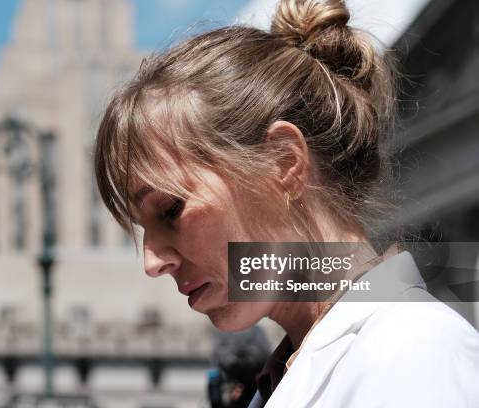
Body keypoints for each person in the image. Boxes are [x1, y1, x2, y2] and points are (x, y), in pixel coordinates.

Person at [93, 0, 479, 406]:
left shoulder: (413, 351)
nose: (153, 263)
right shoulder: (297, 371)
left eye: (171, 209)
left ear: (285, 163)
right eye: (141, 228)